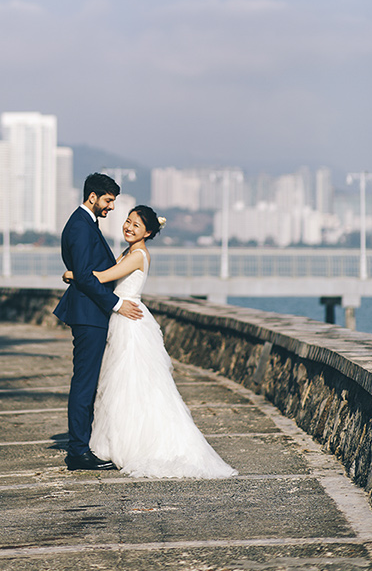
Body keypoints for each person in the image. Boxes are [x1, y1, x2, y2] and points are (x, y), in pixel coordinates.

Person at [63, 204, 237, 479]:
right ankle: (118, 440)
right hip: (122, 318)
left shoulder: (138, 254)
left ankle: (137, 444)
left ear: (148, 232)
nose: (129, 227)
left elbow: (103, 277)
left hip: (130, 320)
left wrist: (72, 274)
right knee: (122, 386)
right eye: (128, 221)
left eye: (136, 225)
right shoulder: (129, 252)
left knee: (134, 385)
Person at [53, 172, 143, 472]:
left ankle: (84, 444)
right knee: (84, 383)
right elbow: (85, 276)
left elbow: (83, 271)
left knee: (88, 381)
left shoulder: (85, 223)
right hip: (89, 315)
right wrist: (117, 304)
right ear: (92, 196)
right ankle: (78, 451)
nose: (111, 207)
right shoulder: (80, 226)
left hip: (91, 312)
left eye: (113, 201)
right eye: (108, 200)